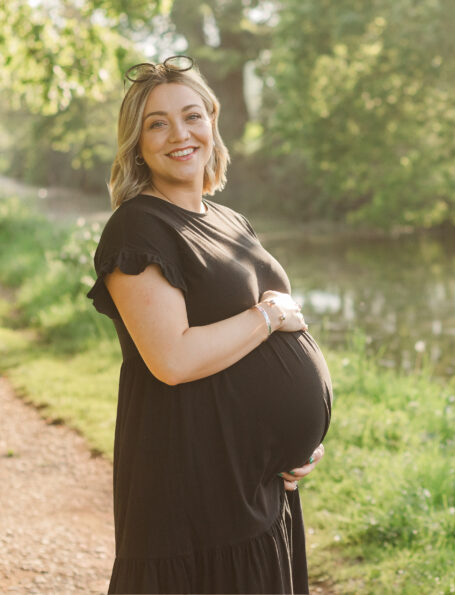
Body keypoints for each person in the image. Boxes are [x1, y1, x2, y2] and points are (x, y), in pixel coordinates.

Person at [86, 55, 333, 594]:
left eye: (192, 115)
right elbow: (172, 359)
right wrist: (268, 316)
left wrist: (296, 443)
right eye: (158, 122)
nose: (180, 133)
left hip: (260, 491)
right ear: (137, 142)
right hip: (195, 500)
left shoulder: (227, 219)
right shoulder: (138, 229)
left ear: (212, 121)